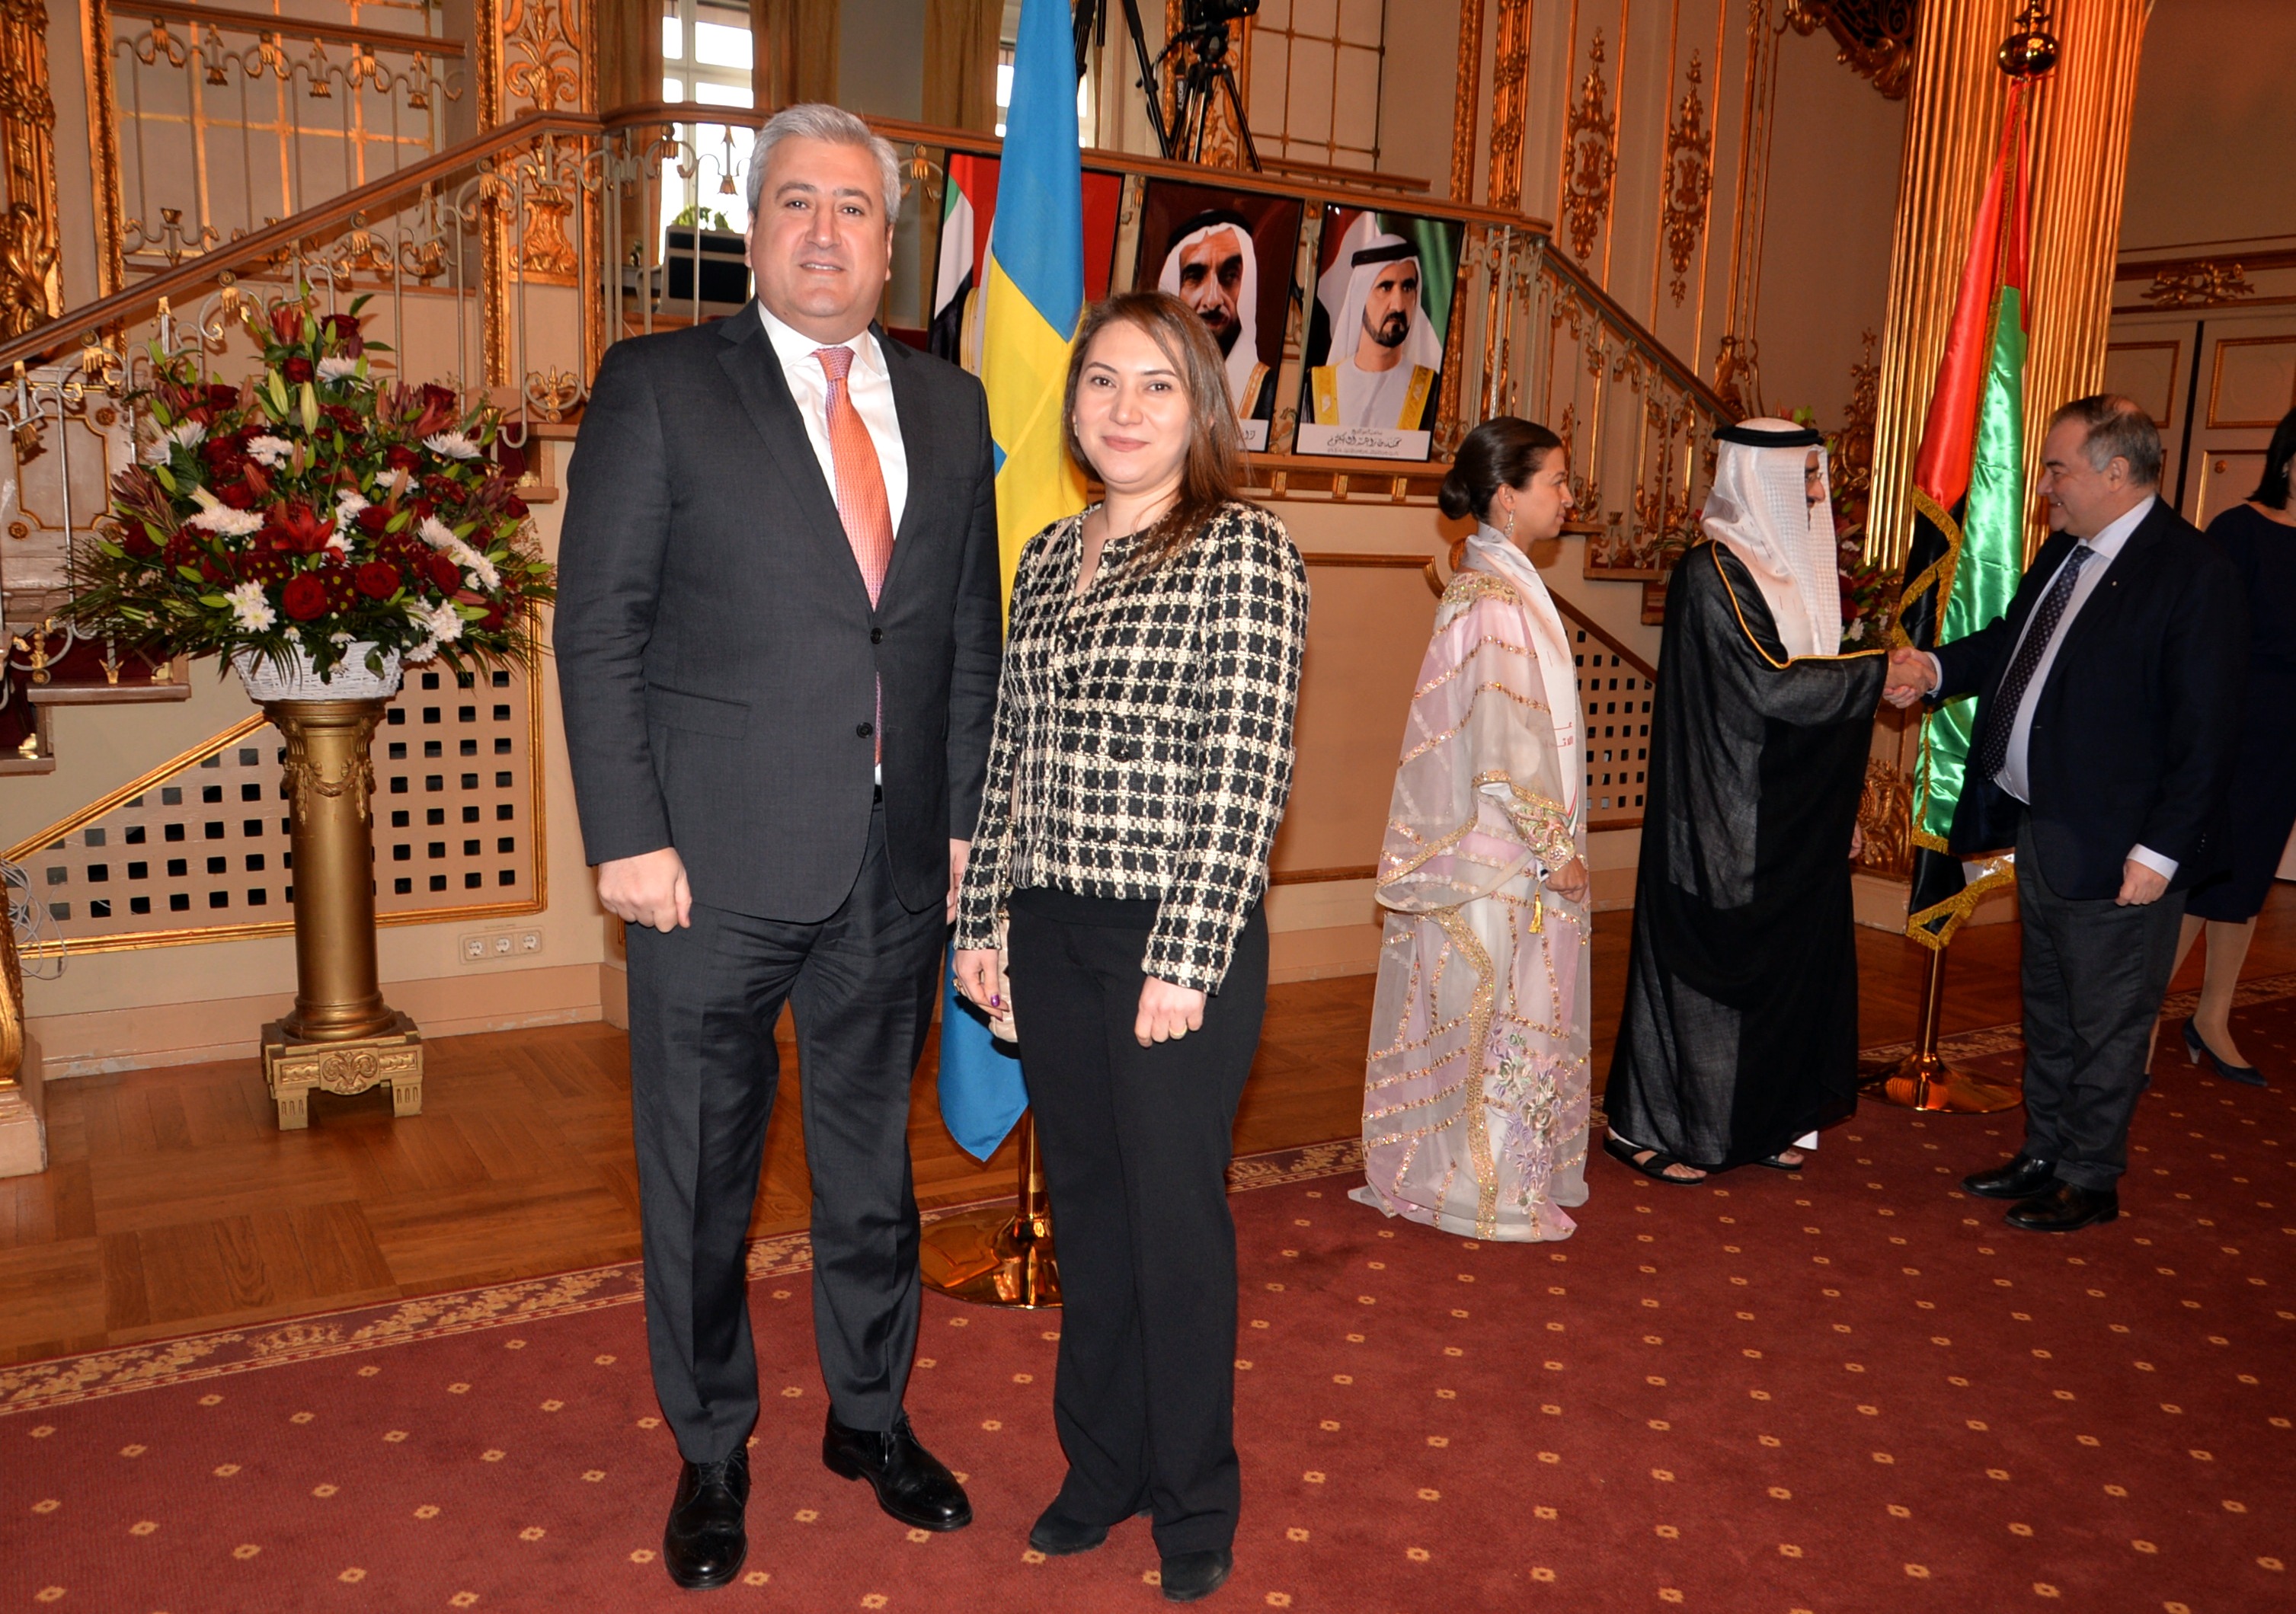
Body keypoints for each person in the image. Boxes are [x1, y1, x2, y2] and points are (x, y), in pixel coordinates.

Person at [554, 104, 1001, 1590]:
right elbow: (598, 627)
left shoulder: (950, 408)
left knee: (872, 1169)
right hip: (705, 868)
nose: (824, 231)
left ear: (890, 242)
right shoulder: (660, 386)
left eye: (853, 207)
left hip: (893, 865)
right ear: (754, 229)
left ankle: (869, 1417)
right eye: (795, 201)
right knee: (702, 1178)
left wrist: (963, 822)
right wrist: (627, 835)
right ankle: (711, 1445)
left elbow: (966, 639)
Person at [953, 291, 1309, 1603]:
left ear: (1198, 407)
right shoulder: (1050, 553)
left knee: (1172, 1224)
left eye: (1157, 384)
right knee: (1088, 1215)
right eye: (1101, 380)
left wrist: (1187, 951)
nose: (1123, 407)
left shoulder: (1243, 550)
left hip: (1171, 936)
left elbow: (1246, 768)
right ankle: (1098, 1466)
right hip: (1048, 927)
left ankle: (1194, 1495)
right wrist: (983, 921)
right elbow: (1012, 752)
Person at [1883, 395, 2246, 1232]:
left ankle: (2089, 1176)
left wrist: (2158, 852)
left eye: (2057, 469)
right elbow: (2012, 644)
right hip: (2042, 826)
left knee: (2108, 1019)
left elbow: (2209, 732)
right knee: (2048, 1006)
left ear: (2115, 472)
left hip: (2122, 847)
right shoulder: (2065, 550)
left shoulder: (2193, 573)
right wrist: (1933, 668)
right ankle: (2043, 1150)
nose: (2044, 486)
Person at [1606, 419, 1885, 1184]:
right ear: (1760, 481)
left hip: (1790, 816)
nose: (1817, 492)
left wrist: (1840, 806)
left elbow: (1811, 699)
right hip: (1718, 811)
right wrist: (1879, 672)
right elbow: (1769, 683)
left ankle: (1755, 1121)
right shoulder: (1711, 572)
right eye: (1803, 478)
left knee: (1783, 969)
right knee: (1699, 974)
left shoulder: (1797, 573)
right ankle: (1643, 1126)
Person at [1354, 417, 1592, 1241]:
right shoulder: (1491, 596)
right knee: (1494, 1011)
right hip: (1496, 852)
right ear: (1507, 495)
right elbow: (1502, 741)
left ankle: (1498, 1174)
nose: (1569, 496)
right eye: (1556, 481)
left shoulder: (1504, 580)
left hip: (1507, 847)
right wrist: (1555, 849)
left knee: (1509, 1009)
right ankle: (1477, 1186)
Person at [2170, 407, 2296, 1086]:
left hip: (2288, 740)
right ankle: (2134, 1019)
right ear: (2288, 461)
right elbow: (2205, 637)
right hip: (2235, 729)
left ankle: (2213, 1016)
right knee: (2200, 872)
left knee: (2248, 878)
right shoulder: (2238, 531)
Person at [1156, 209, 1279, 433]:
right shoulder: (1150, 384)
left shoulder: (1272, 393)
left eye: (1230, 276)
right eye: (1195, 277)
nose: (1213, 300)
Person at [1308, 233, 1441, 430]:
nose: (1398, 305)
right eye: (1385, 288)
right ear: (1360, 296)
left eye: (1407, 288)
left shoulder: (1433, 391)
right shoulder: (1314, 388)